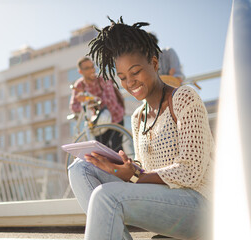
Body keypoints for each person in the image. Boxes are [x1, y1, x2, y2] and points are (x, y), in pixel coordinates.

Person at [68, 17, 214, 240]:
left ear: (155, 64)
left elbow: (191, 171)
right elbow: (145, 170)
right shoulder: (137, 117)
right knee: (80, 168)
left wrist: (136, 175)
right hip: (164, 200)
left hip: (201, 204)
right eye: (123, 77)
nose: (130, 83)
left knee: (107, 196)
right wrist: (119, 166)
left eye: (135, 72)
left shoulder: (184, 97)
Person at [69, 56, 125, 152]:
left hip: (115, 118)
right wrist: (84, 103)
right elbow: (74, 107)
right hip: (98, 123)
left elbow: (111, 102)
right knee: (103, 153)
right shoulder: (79, 85)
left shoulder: (103, 79)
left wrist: (90, 101)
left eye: (92, 66)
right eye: (87, 68)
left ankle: (122, 166)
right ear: (80, 72)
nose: (92, 70)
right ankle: (110, 167)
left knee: (117, 149)